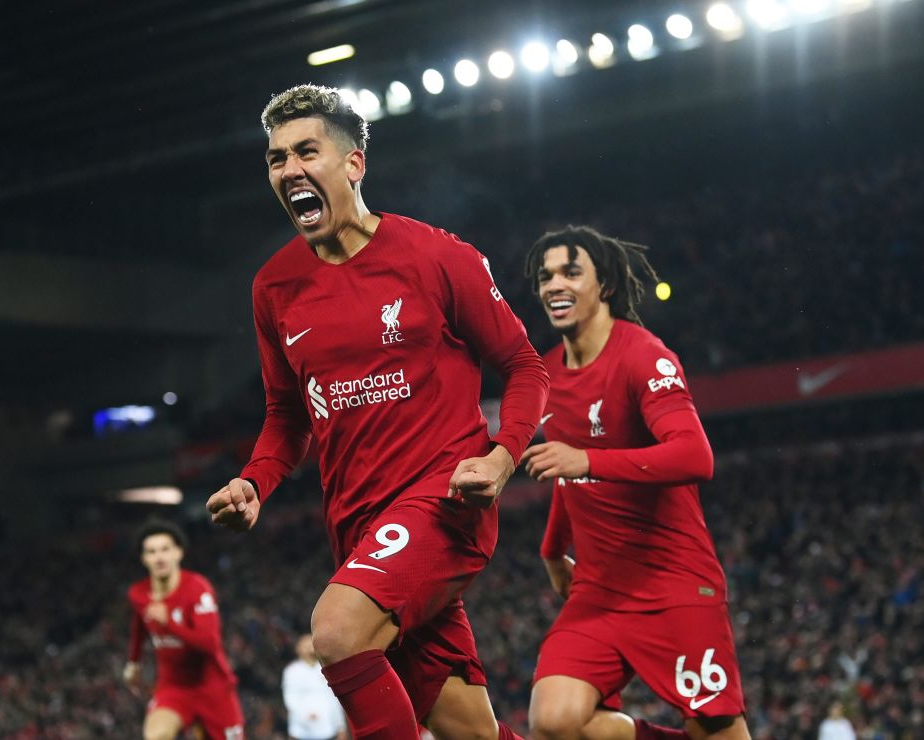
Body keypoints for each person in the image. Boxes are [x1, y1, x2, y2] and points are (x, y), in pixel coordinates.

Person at [206, 84, 549, 740]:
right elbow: (286, 415)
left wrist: (504, 456)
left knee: (335, 632)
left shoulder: (437, 257)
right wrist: (255, 481)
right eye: (276, 159)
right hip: (357, 525)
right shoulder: (273, 288)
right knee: (470, 731)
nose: (290, 170)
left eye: (307, 151)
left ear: (354, 163)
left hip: (443, 502)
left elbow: (526, 367)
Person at [519, 225, 750, 740]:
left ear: (604, 286)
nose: (554, 284)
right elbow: (565, 466)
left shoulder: (644, 355)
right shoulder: (548, 371)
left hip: (673, 581)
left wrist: (589, 460)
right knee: (553, 721)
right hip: (600, 590)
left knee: (717, 731)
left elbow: (695, 456)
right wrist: (554, 550)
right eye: (545, 275)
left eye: (570, 272)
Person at [124, 520, 244, 740]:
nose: (159, 557)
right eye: (151, 551)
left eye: (165, 549)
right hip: (174, 688)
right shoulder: (138, 593)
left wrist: (168, 622)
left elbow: (209, 643)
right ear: (143, 558)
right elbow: (139, 624)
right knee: (156, 735)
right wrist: (134, 662)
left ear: (178, 552)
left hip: (213, 688)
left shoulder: (197, 588)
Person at [283, 634, 348, 740]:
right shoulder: (292, 671)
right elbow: (290, 698)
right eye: (306, 645)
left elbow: (334, 699)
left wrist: (340, 726)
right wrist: (305, 715)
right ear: (298, 648)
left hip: (329, 729)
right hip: (302, 730)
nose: (310, 647)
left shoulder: (327, 669)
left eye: (311, 644)